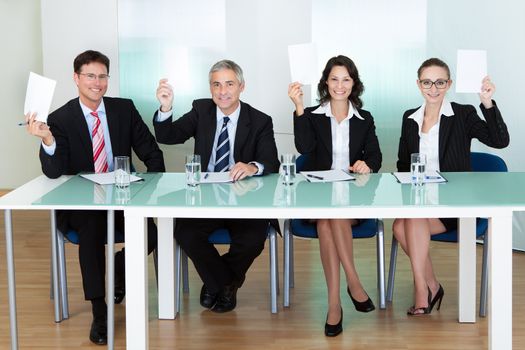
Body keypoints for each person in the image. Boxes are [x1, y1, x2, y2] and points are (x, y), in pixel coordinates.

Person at [26, 50, 165, 345]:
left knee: (151, 232)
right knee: (90, 231)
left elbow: (152, 153)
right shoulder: (59, 119)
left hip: (123, 197)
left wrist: (149, 188)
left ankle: (117, 271)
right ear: (76, 78)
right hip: (82, 204)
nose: (97, 83)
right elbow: (54, 172)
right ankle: (99, 311)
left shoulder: (123, 109)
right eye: (90, 76)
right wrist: (48, 141)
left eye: (102, 76)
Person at [154, 59, 280, 313]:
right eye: (216, 85)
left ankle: (216, 284)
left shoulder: (259, 120)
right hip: (205, 196)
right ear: (210, 89)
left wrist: (253, 166)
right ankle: (225, 284)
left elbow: (271, 161)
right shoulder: (201, 110)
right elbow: (167, 136)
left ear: (242, 86)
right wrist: (165, 107)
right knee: (186, 233)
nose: (223, 91)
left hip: (245, 197)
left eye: (229, 84)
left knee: (253, 238)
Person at [392, 57, 509, 316]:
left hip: (454, 204)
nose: (433, 88)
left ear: (449, 84)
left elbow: (500, 141)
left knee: (408, 222)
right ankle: (431, 285)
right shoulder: (409, 118)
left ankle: (422, 290)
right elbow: (402, 163)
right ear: (418, 84)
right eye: (427, 82)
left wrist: (487, 102)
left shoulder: (463, 114)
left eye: (440, 82)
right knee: (401, 224)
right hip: (421, 201)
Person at [288, 55, 382, 336]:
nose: (340, 85)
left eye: (346, 79)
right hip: (318, 197)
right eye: (334, 79)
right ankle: (353, 284)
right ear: (325, 82)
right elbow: (304, 147)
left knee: (331, 220)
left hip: (353, 197)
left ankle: (335, 304)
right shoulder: (313, 116)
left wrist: (368, 164)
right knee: (329, 216)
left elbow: (375, 156)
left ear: (354, 83)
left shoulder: (365, 119)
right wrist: (299, 107)